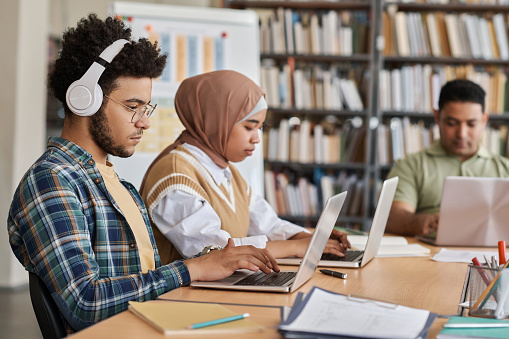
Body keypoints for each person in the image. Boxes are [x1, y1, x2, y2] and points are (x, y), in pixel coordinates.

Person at [7, 14, 278, 334]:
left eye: (146, 108)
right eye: (132, 106)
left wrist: (211, 267)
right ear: (84, 100)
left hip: (156, 325)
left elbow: (145, 279)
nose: (145, 122)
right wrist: (193, 269)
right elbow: (85, 303)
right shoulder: (52, 181)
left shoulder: (119, 185)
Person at [140, 70, 350, 265]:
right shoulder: (174, 174)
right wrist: (295, 247)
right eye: (249, 127)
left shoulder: (225, 171)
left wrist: (311, 237)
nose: (256, 139)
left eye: (260, 128)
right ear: (216, 121)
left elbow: (269, 225)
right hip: (179, 298)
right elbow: (217, 251)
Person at [386, 79, 509, 236]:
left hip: (492, 256)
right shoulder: (411, 165)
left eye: (471, 124)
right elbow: (393, 218)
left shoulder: (505, 168)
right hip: (428, 256)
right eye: (452, 123)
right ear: (437, 117)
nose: (461, 134)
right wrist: (421, 222)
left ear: (484, 120)